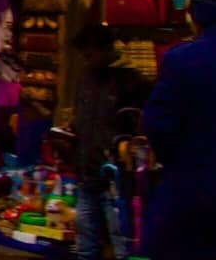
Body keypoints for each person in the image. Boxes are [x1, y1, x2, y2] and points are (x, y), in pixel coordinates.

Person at [144, 0, 216, 259]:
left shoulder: (184, 60)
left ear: (199, 14)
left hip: (193, 202)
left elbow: (159, 124)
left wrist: (179, 161)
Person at [64, 25, 150, 260]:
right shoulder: (86, 78)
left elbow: (140, 130)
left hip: (117, 182)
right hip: (86, 176)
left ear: (105, 50)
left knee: (122, 246)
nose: (86, 58)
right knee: (85, 249)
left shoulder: (132, 81)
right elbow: (81, 119)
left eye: (89, 53)